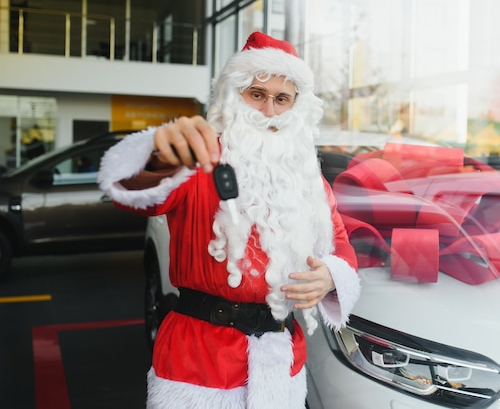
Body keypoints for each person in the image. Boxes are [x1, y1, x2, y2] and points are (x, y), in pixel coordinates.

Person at [98, 31, 361, 408]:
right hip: (198, 364)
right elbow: (134, 193)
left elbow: (341, 244)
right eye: (257, 95)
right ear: (232, 95)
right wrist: (160, 156)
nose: (269, 111)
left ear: (295, 108)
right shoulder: (200, 157)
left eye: (282, 99)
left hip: (280, 362)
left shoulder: (307, 178)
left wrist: (331, 276)